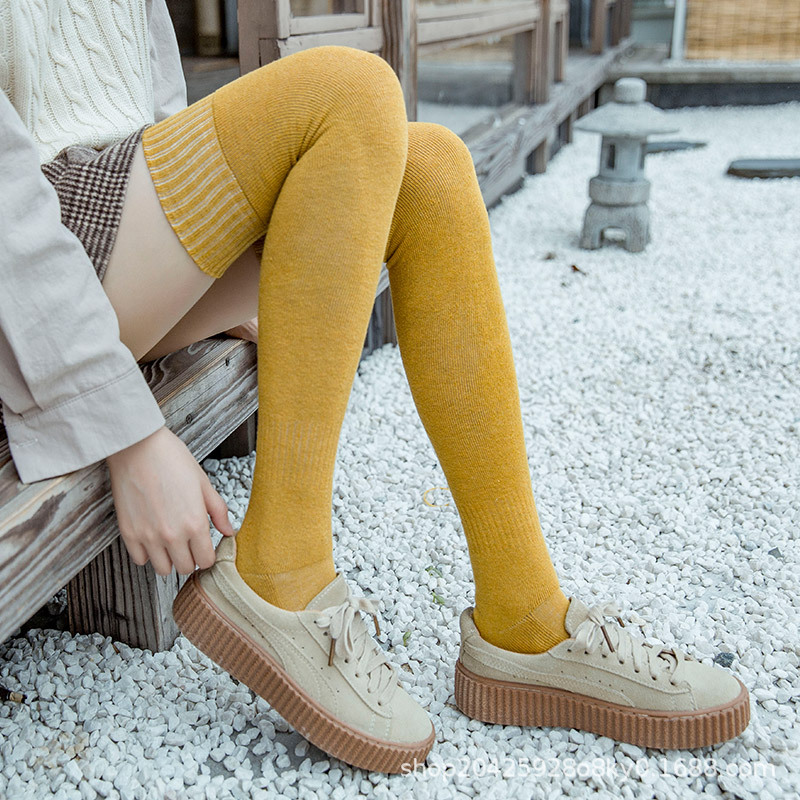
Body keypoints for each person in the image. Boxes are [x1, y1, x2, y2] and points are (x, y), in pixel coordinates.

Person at [0, 0, 749, 775]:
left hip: (107, 237)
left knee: (430, 168)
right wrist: (127, 431)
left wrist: (210, 269)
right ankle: (282, 574)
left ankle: (524, 619)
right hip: (27, 276)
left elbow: (152, 112)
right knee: (350, 89)